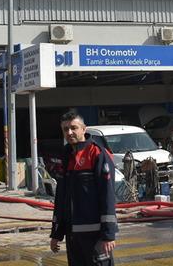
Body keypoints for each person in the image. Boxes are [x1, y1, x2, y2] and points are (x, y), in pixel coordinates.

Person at [50, 112, 118, 265]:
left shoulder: (97, 153)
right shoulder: (66, 155)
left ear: (84, 129)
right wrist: (56, 233)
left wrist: (108, 235)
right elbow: (61, 198)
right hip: (73, 236)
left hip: (95, 236)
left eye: (74, 128)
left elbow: (107, 195)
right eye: (65, 129)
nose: (69, 132)